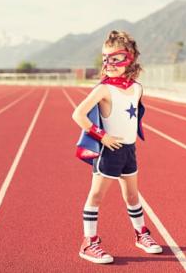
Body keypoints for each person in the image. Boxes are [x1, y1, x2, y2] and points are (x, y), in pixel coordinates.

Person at [72, 30, 163, 264]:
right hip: (109, 151)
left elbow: (133, 115)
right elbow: (78, 114)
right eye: (105, 58)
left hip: (129, 151)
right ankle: (88, 243)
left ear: (129, 58)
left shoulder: (137, 88)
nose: (108, 63)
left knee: (132, 195)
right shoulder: (103, 89)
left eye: (115, 58)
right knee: (96, 196)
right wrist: (102, 136)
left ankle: (141, 234)